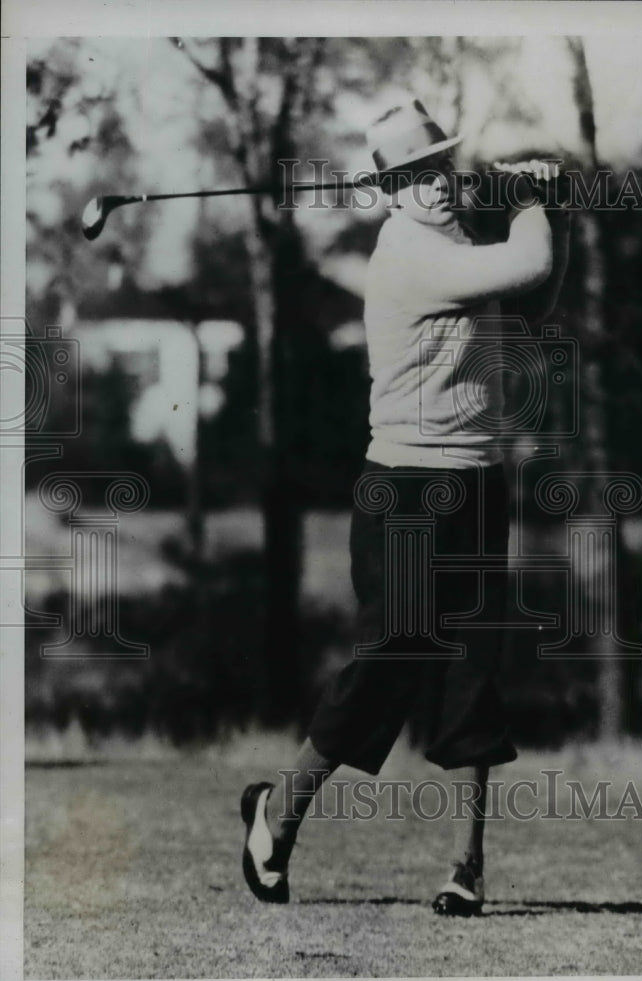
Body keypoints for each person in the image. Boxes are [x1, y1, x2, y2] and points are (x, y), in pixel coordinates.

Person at [240, 99, 570, 915]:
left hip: (477, 485)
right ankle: (276, 814)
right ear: (389, 192)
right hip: (406, 493)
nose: (432, 187)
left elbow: (535, 299)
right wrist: (532, 200)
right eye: (410, 177)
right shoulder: (409, 255)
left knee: (471, 672)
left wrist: (542, 206)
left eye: (438, 168)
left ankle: (466, 868)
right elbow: (525, 266)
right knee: (391, 656)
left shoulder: (458, 244)